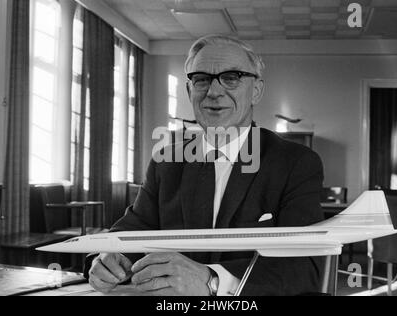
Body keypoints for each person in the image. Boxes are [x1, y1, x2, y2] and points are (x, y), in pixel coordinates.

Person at [85, 34, 325, 296]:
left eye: (231, 78)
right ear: (190, 90)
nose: (213, 91)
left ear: (256, 91)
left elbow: (303, 270)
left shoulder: (296, 163)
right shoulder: (166, 163)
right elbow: (130, 233)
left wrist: (211, 280)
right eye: (201, 79)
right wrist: (110, 258)